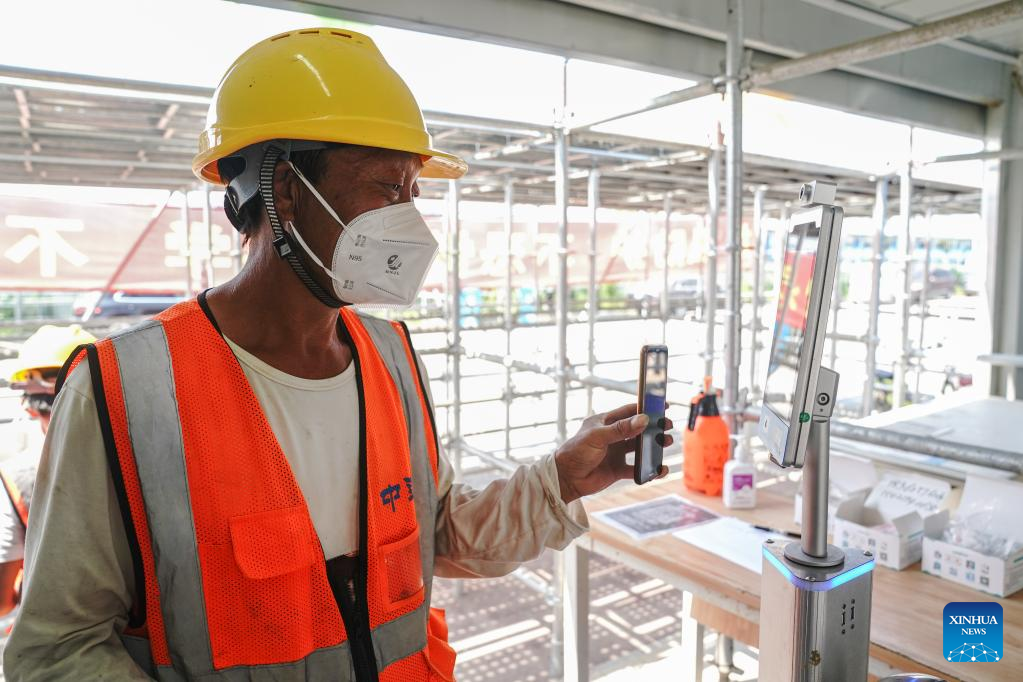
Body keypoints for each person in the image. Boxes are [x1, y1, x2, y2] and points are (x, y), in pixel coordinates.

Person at [4, 28, 671, 681]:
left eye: (414, 191)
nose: (411, 221)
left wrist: (560, 481)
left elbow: (434, 534)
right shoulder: (126, 390)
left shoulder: (391, 357)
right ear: (286, 191)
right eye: (388, 188)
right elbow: (56, 653)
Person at [0, 325, 96, 618]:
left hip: (59, 632)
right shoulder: (145, 455)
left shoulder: (18, 479)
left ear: (28, 406)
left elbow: (2, 601)